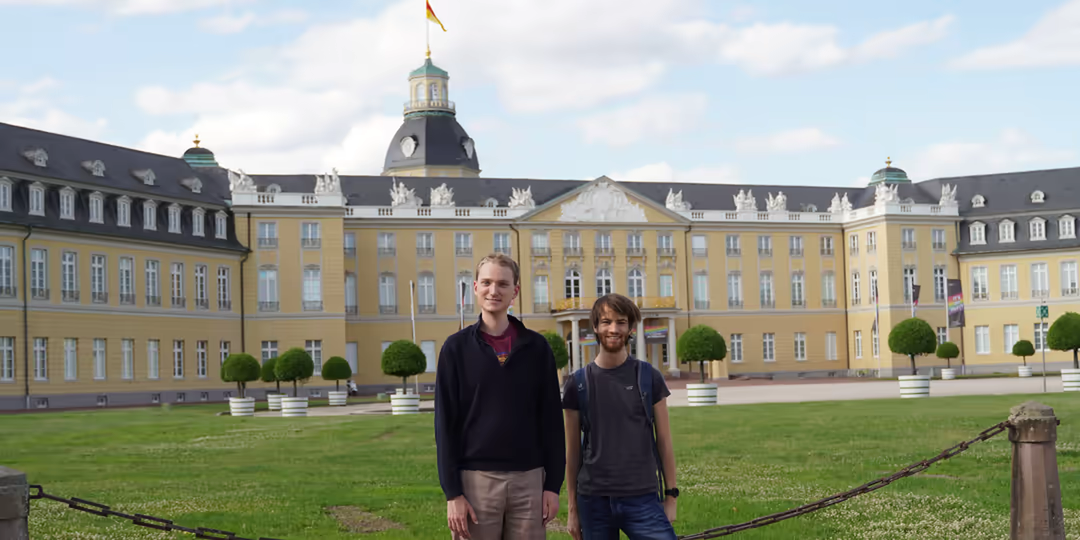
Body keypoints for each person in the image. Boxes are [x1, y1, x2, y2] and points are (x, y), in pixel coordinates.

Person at [435, 253, 566, 540]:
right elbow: (445, 426)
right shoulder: (455, 349)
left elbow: (552, 422)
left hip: (529, 481)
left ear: (515, 292)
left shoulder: (537, 348)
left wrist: (553, 486)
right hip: (475, 481)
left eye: (503, 284)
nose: (494, 291)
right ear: (475, 287)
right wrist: (453, 493)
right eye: (487, 282)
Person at [562, 294, 678, 540]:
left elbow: (665, 441)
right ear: (595, 327)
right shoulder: (577, 383)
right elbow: (572, 453)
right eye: (606, 322)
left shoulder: (649, 377)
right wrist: (572, 509)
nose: (613, 329)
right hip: (593, 501)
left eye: (621, 322)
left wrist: (671, 497)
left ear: (630, 328)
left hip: (642, 497)